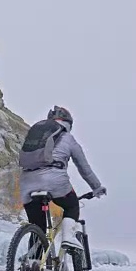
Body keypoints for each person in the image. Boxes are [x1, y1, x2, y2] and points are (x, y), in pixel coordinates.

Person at [19, 106, 107, 251]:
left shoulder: (37, 137)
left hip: (27, 182)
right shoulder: (68, 139)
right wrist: (96, 187)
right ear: (68, 124)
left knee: (37, 228)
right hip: (55, 181)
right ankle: (68, 238)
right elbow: (84, 168)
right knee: (72, 205)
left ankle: (33, 262)